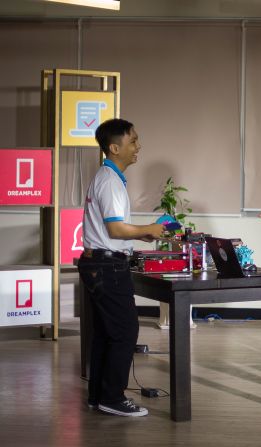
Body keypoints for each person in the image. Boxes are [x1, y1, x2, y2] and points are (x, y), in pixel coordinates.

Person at [78, 118, 165, 417]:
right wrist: (150, 227)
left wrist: (143, 233)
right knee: (126, 331)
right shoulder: (110, 181)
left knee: (106, 332)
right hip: (106, 266)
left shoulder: (108, 177)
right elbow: (115, 231)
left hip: (97, 262)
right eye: (133, 141)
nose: (138, 146)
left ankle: (98, 396)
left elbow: (110, 230)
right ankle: (113, 398)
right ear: (115, 148)